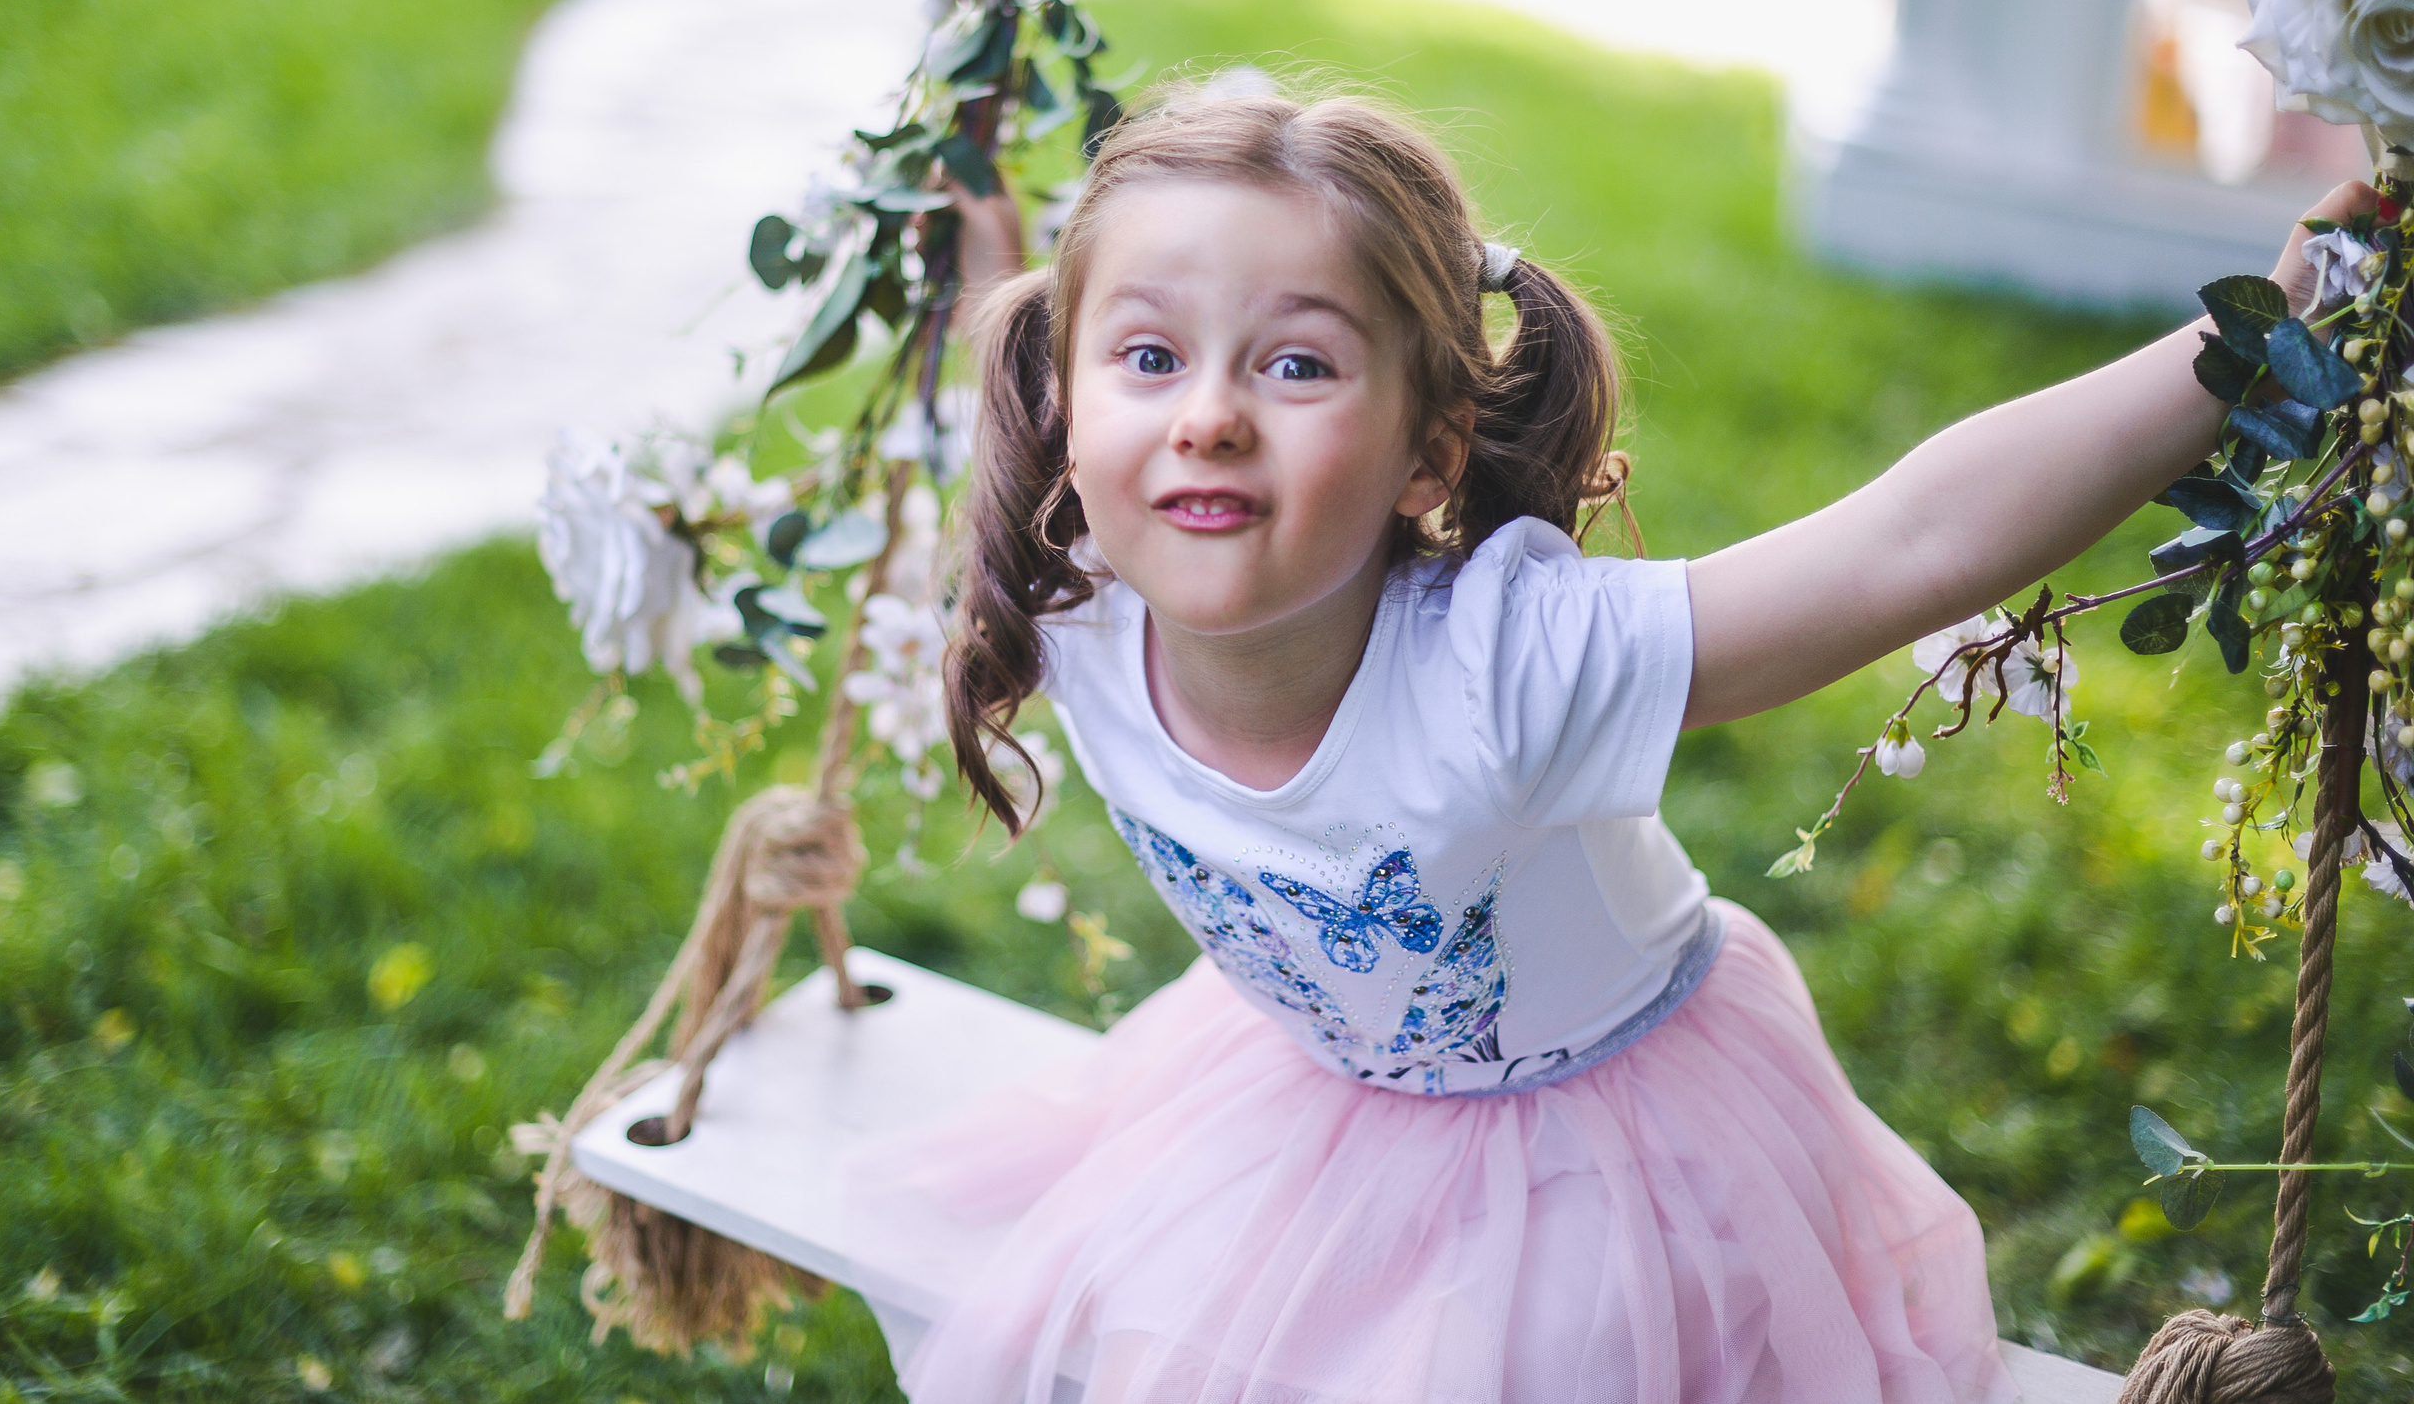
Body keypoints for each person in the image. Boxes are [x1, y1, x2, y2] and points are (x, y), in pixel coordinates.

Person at [861, 79, 2367, 1404]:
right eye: (1148, 357)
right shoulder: (1072, 608)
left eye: (1297, 365)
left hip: (1604, 1158)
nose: (1207, 417)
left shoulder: (1508, 667)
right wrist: (982, 260)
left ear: (1427, 456)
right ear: (1064, 412)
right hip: (1304, 1099)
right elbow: (994, 396)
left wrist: (2255, 338)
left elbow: (1910, 541)